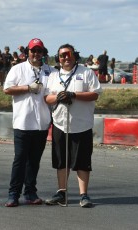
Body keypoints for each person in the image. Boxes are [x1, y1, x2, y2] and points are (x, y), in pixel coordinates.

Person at [44, 43, 103, 208]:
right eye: (62, 55)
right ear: (58, 58)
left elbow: (95, 94)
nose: (65, 58)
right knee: (61, 160)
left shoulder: (86, 73)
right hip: (60, 123)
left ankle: (83, 195)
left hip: (81, 124)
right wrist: (58, 98)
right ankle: (62, 192)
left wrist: (74, 95)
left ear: (74, 55)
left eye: (68, 54)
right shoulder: (54, 76)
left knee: (82, 161)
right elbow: (47, 98)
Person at [3, 38, 57, 207]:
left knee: (34, 160)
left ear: (43, 53)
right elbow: (7, 89)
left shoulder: (51, 71)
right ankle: (13, 194)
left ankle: (30, 192)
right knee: (20, 159)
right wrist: (27, 88)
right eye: (33, 50)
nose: (36, 54)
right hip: (23, 122)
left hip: (41, 123)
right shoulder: (17, 69)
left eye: (39, 51)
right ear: (28, 52)